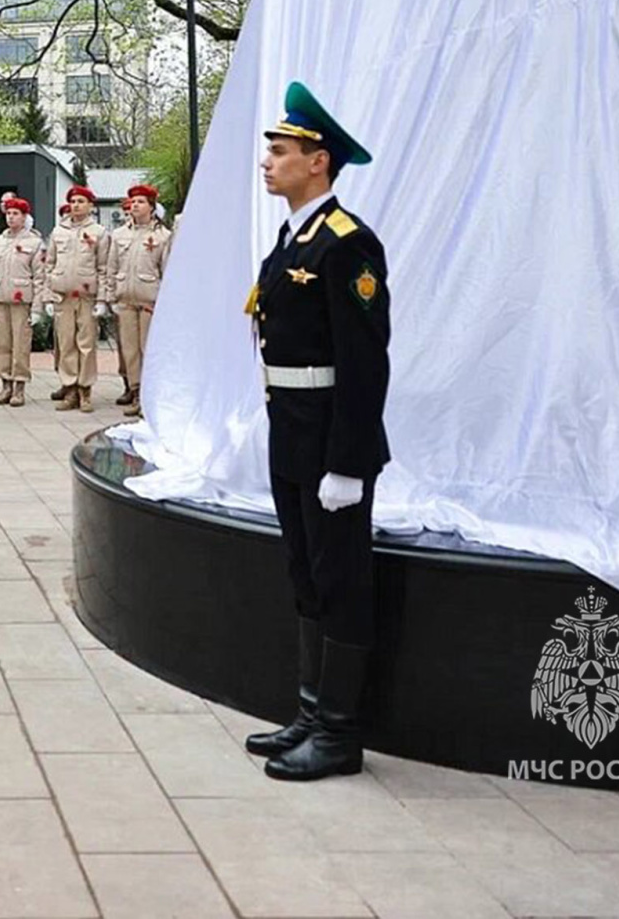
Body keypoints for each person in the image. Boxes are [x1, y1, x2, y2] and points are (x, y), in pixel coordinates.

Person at [245, 81, 390, 782]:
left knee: (342, 581)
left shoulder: (347, 244)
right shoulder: (293, 237)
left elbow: (365, 365)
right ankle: (310, 711)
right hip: (291, 431)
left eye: (281, 150)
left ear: (318, 160)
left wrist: (350, 464)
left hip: (332, 439)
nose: (267, 161)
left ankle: (339, 733)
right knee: (306, 575)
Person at [105, 184, 172, 414]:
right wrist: (109, 298)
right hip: (125, 300)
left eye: (141, 202)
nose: (135, 205)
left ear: (152, 207)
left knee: (148, 350)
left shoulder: (163, 236)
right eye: (132, 202)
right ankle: (135, 391)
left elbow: (167, 272)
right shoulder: (119, 235)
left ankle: (150, 396)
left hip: (149, 302)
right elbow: (111, 268)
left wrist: (164, 304)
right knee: (130, 351)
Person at [43, 185, 107, 413]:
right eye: (73, 201)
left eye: (81, 201)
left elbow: (103, 268)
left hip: (87, 297)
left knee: (86, 345)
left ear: (90, 205)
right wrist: (48, 296)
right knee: (66, 343)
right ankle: (69, 389)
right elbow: (48, 264)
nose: (76, 205)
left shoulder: (99, 232)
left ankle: (85, 390)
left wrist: (102, 300)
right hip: (63, 297)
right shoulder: (58, 231)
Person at [0, 195, 47, 406]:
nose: (10, 217)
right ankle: (5, 384)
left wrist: (37, 308)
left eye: (15, 214)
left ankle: (19, 386)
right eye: (8, 213)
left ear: (24, 216)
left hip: (21, 301)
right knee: (2, 344)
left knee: (20, 345)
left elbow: (40, 278)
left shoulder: (35, 243)